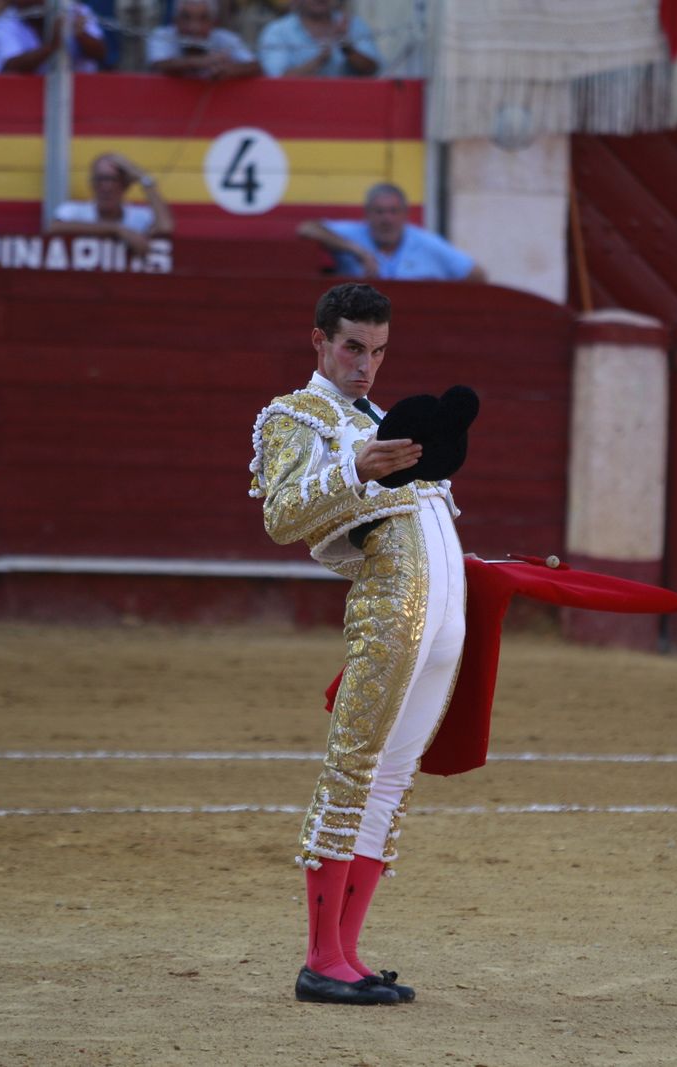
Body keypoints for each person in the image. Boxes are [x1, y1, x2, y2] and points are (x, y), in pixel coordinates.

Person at [249, 283, 465, 1007]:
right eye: (352, 347)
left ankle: (347, 953)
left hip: (442, 619)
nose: (365, 364)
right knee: (353, 769)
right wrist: (354, 470)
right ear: (319, 341)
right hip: (391, 616)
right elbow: (282, 516)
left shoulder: (385, 420)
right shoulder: (296, 416)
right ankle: (319, 960)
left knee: (392, 779)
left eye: (377, 350)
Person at [298, 182, 486, 282]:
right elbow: (307, 228)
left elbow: (475, 274)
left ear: (405, 215)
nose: (386, 219)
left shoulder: (426, 242)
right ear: (367, 214)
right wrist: (358, 251)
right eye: (379, 212)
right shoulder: (354, 234)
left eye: (393, 211)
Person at [47, 153, 174, 258]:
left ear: (125, 186)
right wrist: (117, 229)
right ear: (92, 184)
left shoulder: (139, 216)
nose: (106, 187)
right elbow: (54, 227)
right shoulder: (73, 211)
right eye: (100, 179)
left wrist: (144, 179)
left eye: (113, 179)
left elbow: (165, 228)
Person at [258, 0, 379, 78]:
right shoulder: (278, 31)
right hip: (296, 105)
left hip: (348, 103)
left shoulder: (352, 24)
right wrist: (320, 60)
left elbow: (372, 69)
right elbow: (277, 79)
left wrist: (346, 47)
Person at [147, 0, 260, 80]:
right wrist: (203, 62)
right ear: (175, 20)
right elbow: (159, 64)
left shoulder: (224, 38)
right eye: (186, 17)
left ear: (213, 22)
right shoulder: (162, 35)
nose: (194, 28)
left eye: (203, 18)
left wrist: (229, 70)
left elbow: (254, 66)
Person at [0, 0, 107, 73]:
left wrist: (81, 35)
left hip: (83, 89)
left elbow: (100, 53)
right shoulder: (4, 22)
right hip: (25, 94)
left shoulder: (75, 10)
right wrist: (50, 47)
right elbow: (10, 67)